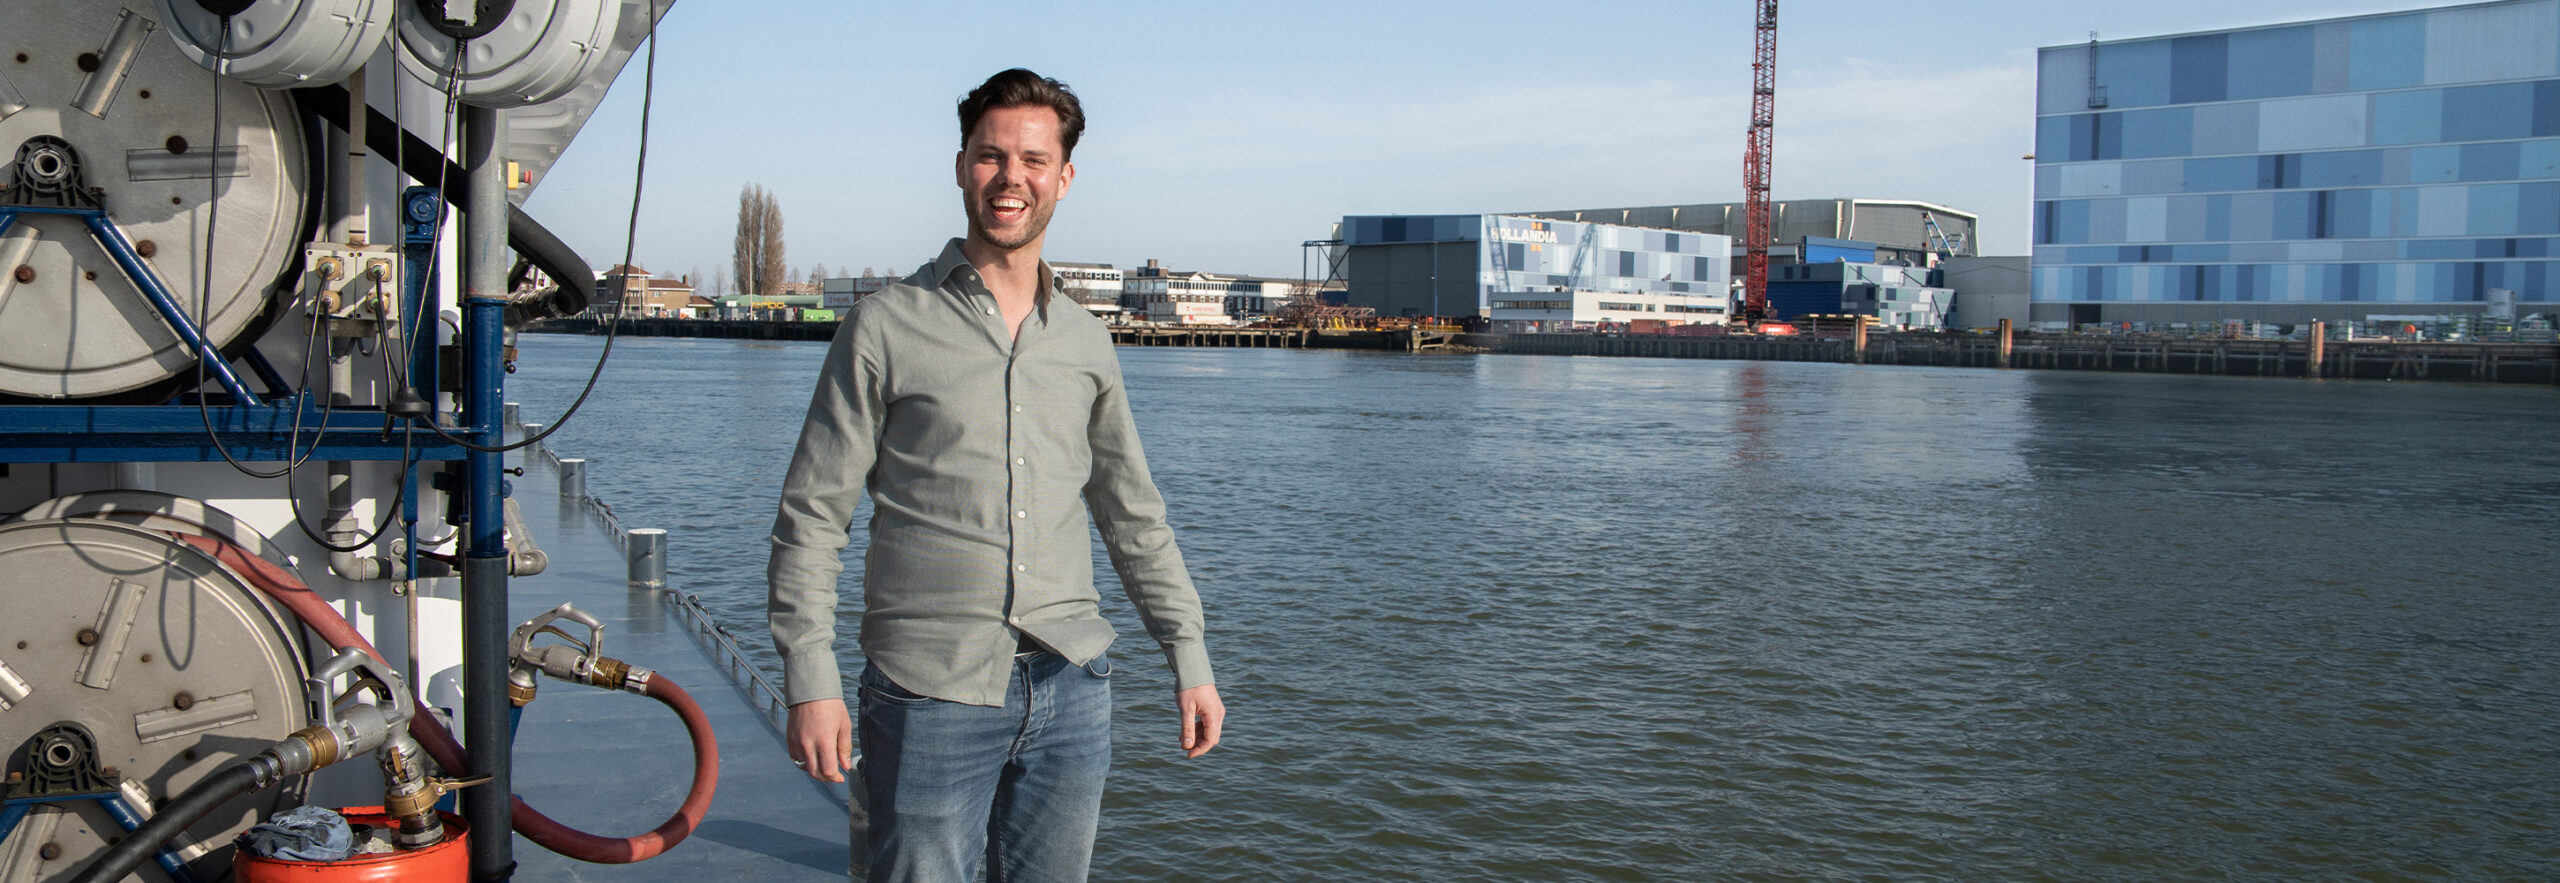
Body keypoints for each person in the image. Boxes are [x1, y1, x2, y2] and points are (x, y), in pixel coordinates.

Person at [765, 68, 1224, 882]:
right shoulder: (884, 326)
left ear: (1064, 177)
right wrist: (810, 677)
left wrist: (1188, 653)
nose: (1012, 178)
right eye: (991, 156)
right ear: (960, 167)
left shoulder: (1086, 341)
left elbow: (1131, 514)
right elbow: (813, 516)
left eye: (1034, 159)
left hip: (1073, 685)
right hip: (926, 692)